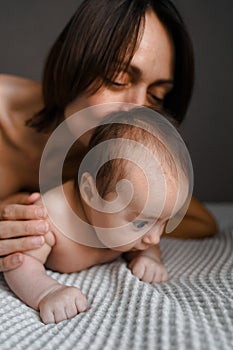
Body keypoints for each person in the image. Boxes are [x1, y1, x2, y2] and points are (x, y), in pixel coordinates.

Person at [0, 0, 217, 272]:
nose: (137, 108)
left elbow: (201, 223)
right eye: (117, 79)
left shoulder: (107, 158)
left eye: (156, 96)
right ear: (71, 65)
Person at [4, 108, 192, 324]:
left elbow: (149, 237)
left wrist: (149, 257)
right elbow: (19, 262)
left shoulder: (140, 231)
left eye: (163, 222)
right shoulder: (50, 217)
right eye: (141, 223)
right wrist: (45, 292)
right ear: (91, 192)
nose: (155, 238)